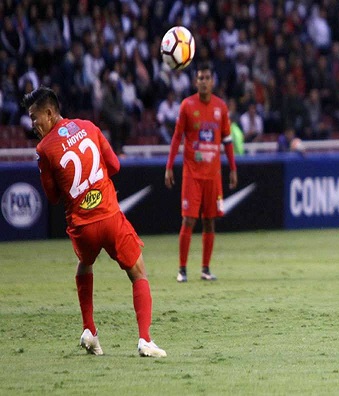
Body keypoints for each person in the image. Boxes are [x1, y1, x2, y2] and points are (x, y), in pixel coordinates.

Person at [23, 86, 166, 357]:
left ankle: (90, 330)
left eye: (34, 117)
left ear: (50, 113)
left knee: (84, 265)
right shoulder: (88, 126)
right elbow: (114, 165)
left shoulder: (43, 149)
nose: (33, 124)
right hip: (109, 216)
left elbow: (52, 197)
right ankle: (145, 339)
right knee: (138, 272)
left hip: (82, 227)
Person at [165, 63, 238, 283]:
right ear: (196, 82)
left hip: (213, 176)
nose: (203, 81)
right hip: (193, 175)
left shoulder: (221, 108)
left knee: (210, 221)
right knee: (188, 220)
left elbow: (227, 140)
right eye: (200, 78)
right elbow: (177, 137)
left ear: (212, 81)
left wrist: (233, 168)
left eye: (207, 77)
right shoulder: (187, 106)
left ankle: (205, 269)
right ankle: (182, 269)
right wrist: (169, 166)